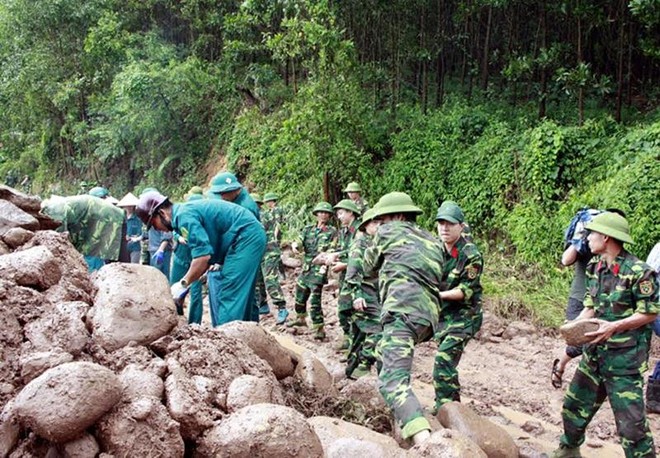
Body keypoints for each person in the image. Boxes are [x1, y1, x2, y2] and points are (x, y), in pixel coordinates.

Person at [551, 212, 659, 458]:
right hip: (594, 356)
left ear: (607, 238)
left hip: (624, 362)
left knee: (632, 427)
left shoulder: (640, 273)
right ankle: (567, 452)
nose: (587, 238)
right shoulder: (594, 267)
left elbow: (650, 313)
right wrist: (574, 326)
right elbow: (591, 305)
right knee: (573, 409)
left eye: (592, 233)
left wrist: (613, 327)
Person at [363, 192, 444, 446]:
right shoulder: (432, 240)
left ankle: (425, 441)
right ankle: (400, 415)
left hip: (402, 312)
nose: (380, 224)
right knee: (381, 353)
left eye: (382, 219)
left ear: (396, 216)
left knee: (393, 381)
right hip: (427, 318)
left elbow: (367, 267)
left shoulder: (387, 233)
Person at [136, 191, 266, 326]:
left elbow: (202, 257)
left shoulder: (183, 216)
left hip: (245, 238)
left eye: (154, 224)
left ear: (162, 213)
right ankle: (252, 337)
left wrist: (183, 284)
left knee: (230, 292)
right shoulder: (182, 216)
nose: (157, 230)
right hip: (247, 237)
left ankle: (229, 342)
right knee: (244, 294)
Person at [432, 201, 483, 411]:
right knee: (447, 364)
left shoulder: (471, 254)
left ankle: (445, 407)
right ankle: (454, 408)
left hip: (464, 317)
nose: (444, 228)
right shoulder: (435, 249)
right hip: (443, 317)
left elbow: (464, 291)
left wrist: (436, 294)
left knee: (443, 361)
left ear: (461, 226)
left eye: (450, 224)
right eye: (441, 223)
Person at [552, 208, 600, 388]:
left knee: (596, 342)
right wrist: (579, 238)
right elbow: (565, 260)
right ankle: (561, 364)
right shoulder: (588, 241)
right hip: (580, 296)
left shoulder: (611, 247)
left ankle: (587, 384)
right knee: (578, 341)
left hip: (601, 298)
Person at [210, 171, 265, 321]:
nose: (221, 197)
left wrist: (219, 259)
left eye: (223, 193)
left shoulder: (246, 206)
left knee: (235, 293)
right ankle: (251, 326)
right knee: (248, 294)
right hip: (247, 250)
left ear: (233, 190)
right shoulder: (236, 200)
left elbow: (234, 234)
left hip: (245, 250)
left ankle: (231, 331)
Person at [288, 201, 337, 340]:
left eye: (326, 213)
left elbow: (333, 248)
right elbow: (300, 240)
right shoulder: (308, 229)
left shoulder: (332, 231)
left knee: (315, 298)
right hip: (307, 267)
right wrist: (295, 245)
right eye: (321, 212)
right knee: (300, 292)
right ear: (316, 214)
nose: (323, 215)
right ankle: (301, 318)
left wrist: (326, 262)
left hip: (319, 269)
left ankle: (319, 328)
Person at [344, 207, 382, 378]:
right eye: (374, 222)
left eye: (381, 222)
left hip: (376, 292)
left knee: (359, 333)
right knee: (379, 329)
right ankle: (364, 364)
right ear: (366, 226)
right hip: (364, 291)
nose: (378, 226)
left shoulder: (379, 242)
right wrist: (357, 294)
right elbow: (352, 271)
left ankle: (350, 371)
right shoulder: (361, 243)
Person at [41, 194, 125, 272]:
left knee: (94, 249)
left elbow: (59, 235)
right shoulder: (54, 206)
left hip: (102, 217)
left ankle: (94, 277)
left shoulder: (53, 209)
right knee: (88, 249)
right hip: (91, 218)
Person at [326, 199, 362, 350]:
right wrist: (335, 255)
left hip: (357, 276)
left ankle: (355, 344)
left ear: (351, 213)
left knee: (351, 309)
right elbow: (347, 251)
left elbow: (360, 253)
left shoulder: (359, 230)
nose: (339, 217)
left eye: (341, 213)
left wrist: (343, 262)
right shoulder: (344, 231)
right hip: (346, 275)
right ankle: (349, 339)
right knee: (344, 309)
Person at [169, 190, 205, 324]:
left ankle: (195, 323)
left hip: (196, 263)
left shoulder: (202, 221)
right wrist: (179, 238)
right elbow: (173, 230)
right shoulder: (181, 216)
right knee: (174, 289)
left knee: (196, 293)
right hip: (179, 258)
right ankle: (175, 317)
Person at [262, 192, 289, 325]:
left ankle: (281, 307)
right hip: (261, 251)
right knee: (259, 280)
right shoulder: (261, 214)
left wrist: (277, 241)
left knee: (270, 279)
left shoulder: (272, 213)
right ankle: (262, 305)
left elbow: (278, 227)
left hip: (271, 250)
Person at [117, 192, 142, 264]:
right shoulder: (121, 217)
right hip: (123, 247)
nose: (129, 208)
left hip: (135, 247)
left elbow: (141, 233)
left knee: (134, 267)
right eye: (127, 206)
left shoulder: (137, 219)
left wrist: (133, 238)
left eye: (131, 206)